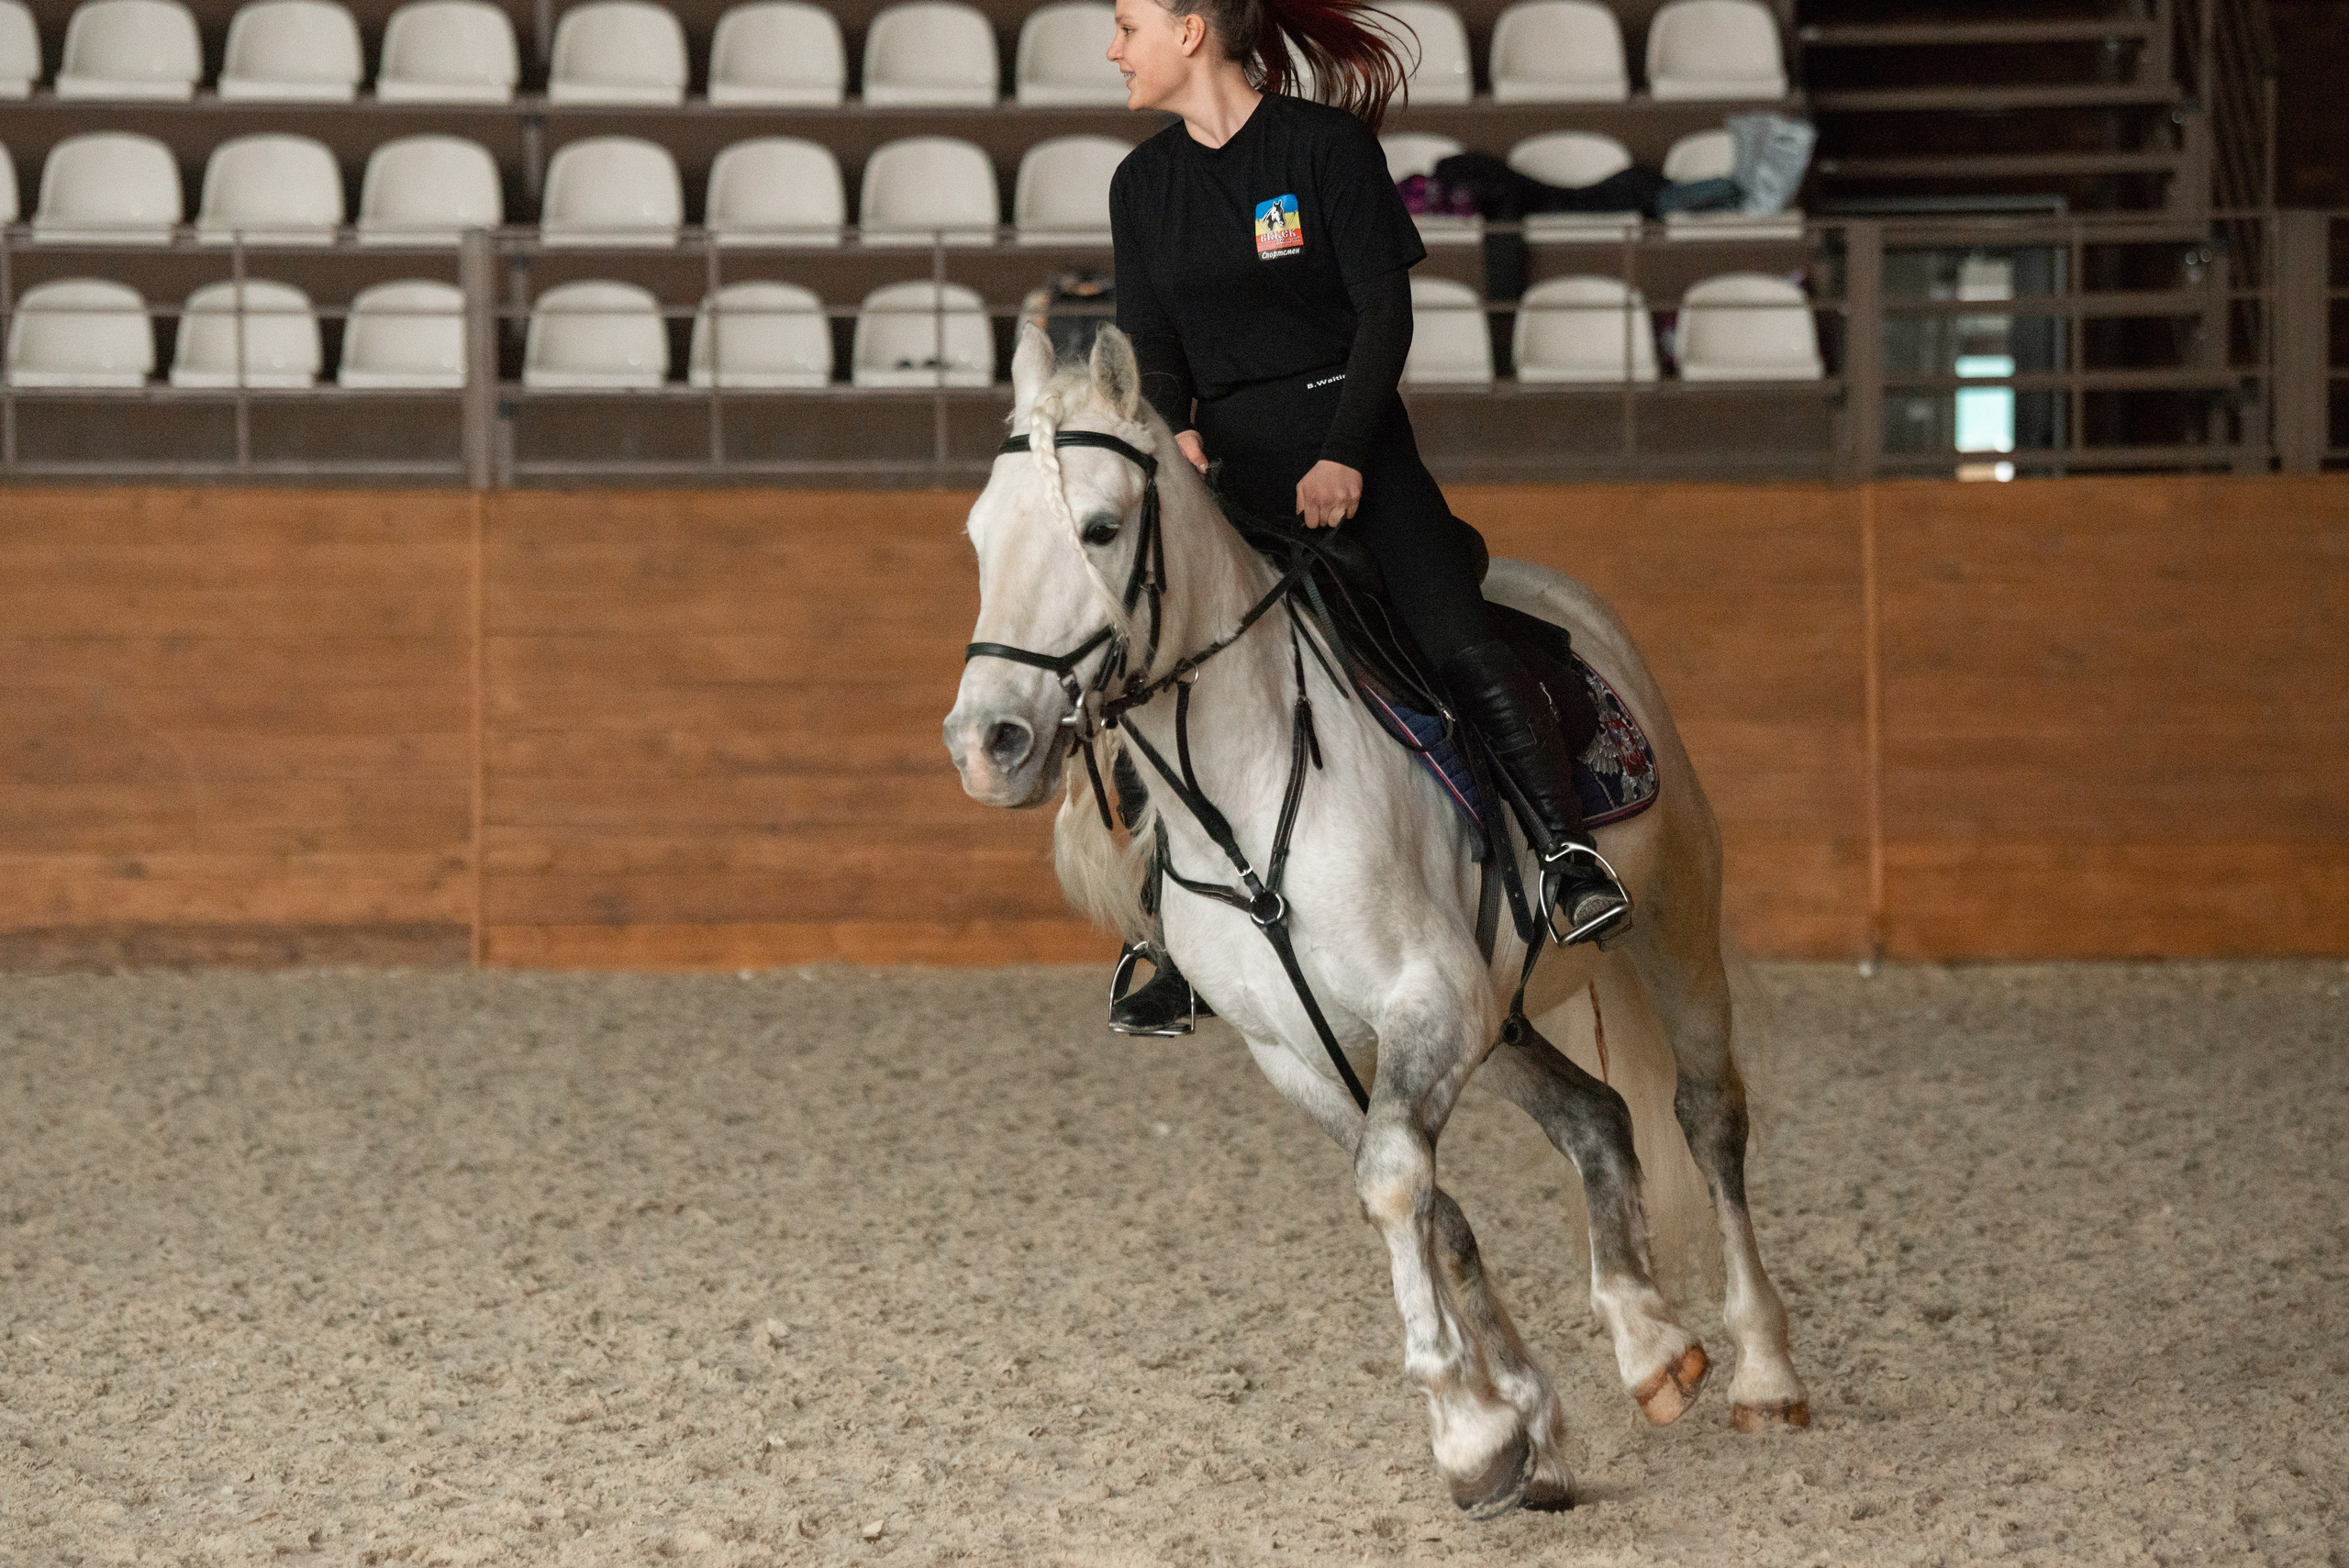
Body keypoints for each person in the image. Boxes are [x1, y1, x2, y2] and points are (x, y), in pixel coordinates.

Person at [1098, 0, 1631, 1036]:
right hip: (1229, 476)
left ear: (1192, 29)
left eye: (1127, 25)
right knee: (1151, 677)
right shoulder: (1141, 185)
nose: (1113, 49)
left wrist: (1345, 449)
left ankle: (1567, 856)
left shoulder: (1325, 149)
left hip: (1358, 442)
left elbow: (1385, 313)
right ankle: (1166, 930)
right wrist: (1179, 430)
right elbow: (1149, 334)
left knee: (1454, 634)